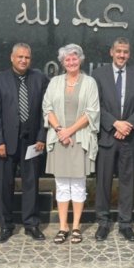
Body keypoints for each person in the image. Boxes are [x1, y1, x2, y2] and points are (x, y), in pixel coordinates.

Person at [0, 43, 48, 243]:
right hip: (5, 143)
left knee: (31, 183)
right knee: (4, 185)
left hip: (31, 142)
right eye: (20, 57)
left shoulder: (39, 79)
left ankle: (31, 224)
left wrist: (41, 137)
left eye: (27, 57)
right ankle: (6, 225)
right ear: (11, 58)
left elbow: (44, 112)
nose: (23, 60)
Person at [93, 38, 134, 242]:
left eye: (125, 52)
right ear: (111, 52)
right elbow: (96, 103)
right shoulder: (98, 74)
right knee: (103, 182)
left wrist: (128, 125)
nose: (122, 55)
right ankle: (103, 222)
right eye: (118, 51)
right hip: (107, 136)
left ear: (129, 54)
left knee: (128, 182)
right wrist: (115, 123)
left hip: (130, 137)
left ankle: (125, 224)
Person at [42, 44, 99, 244]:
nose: (71, 62)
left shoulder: (90, 82)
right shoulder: (55, 82)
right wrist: (59, 131)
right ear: (62, 62)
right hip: (59, 140)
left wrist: (69, 131)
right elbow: (47, 107)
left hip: (80, 139)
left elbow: (91, 112)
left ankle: (76, 227)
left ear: (80, 59)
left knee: (77, 184)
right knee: (62, 185)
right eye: (67, 59)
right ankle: (62, 227)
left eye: (74, 58)